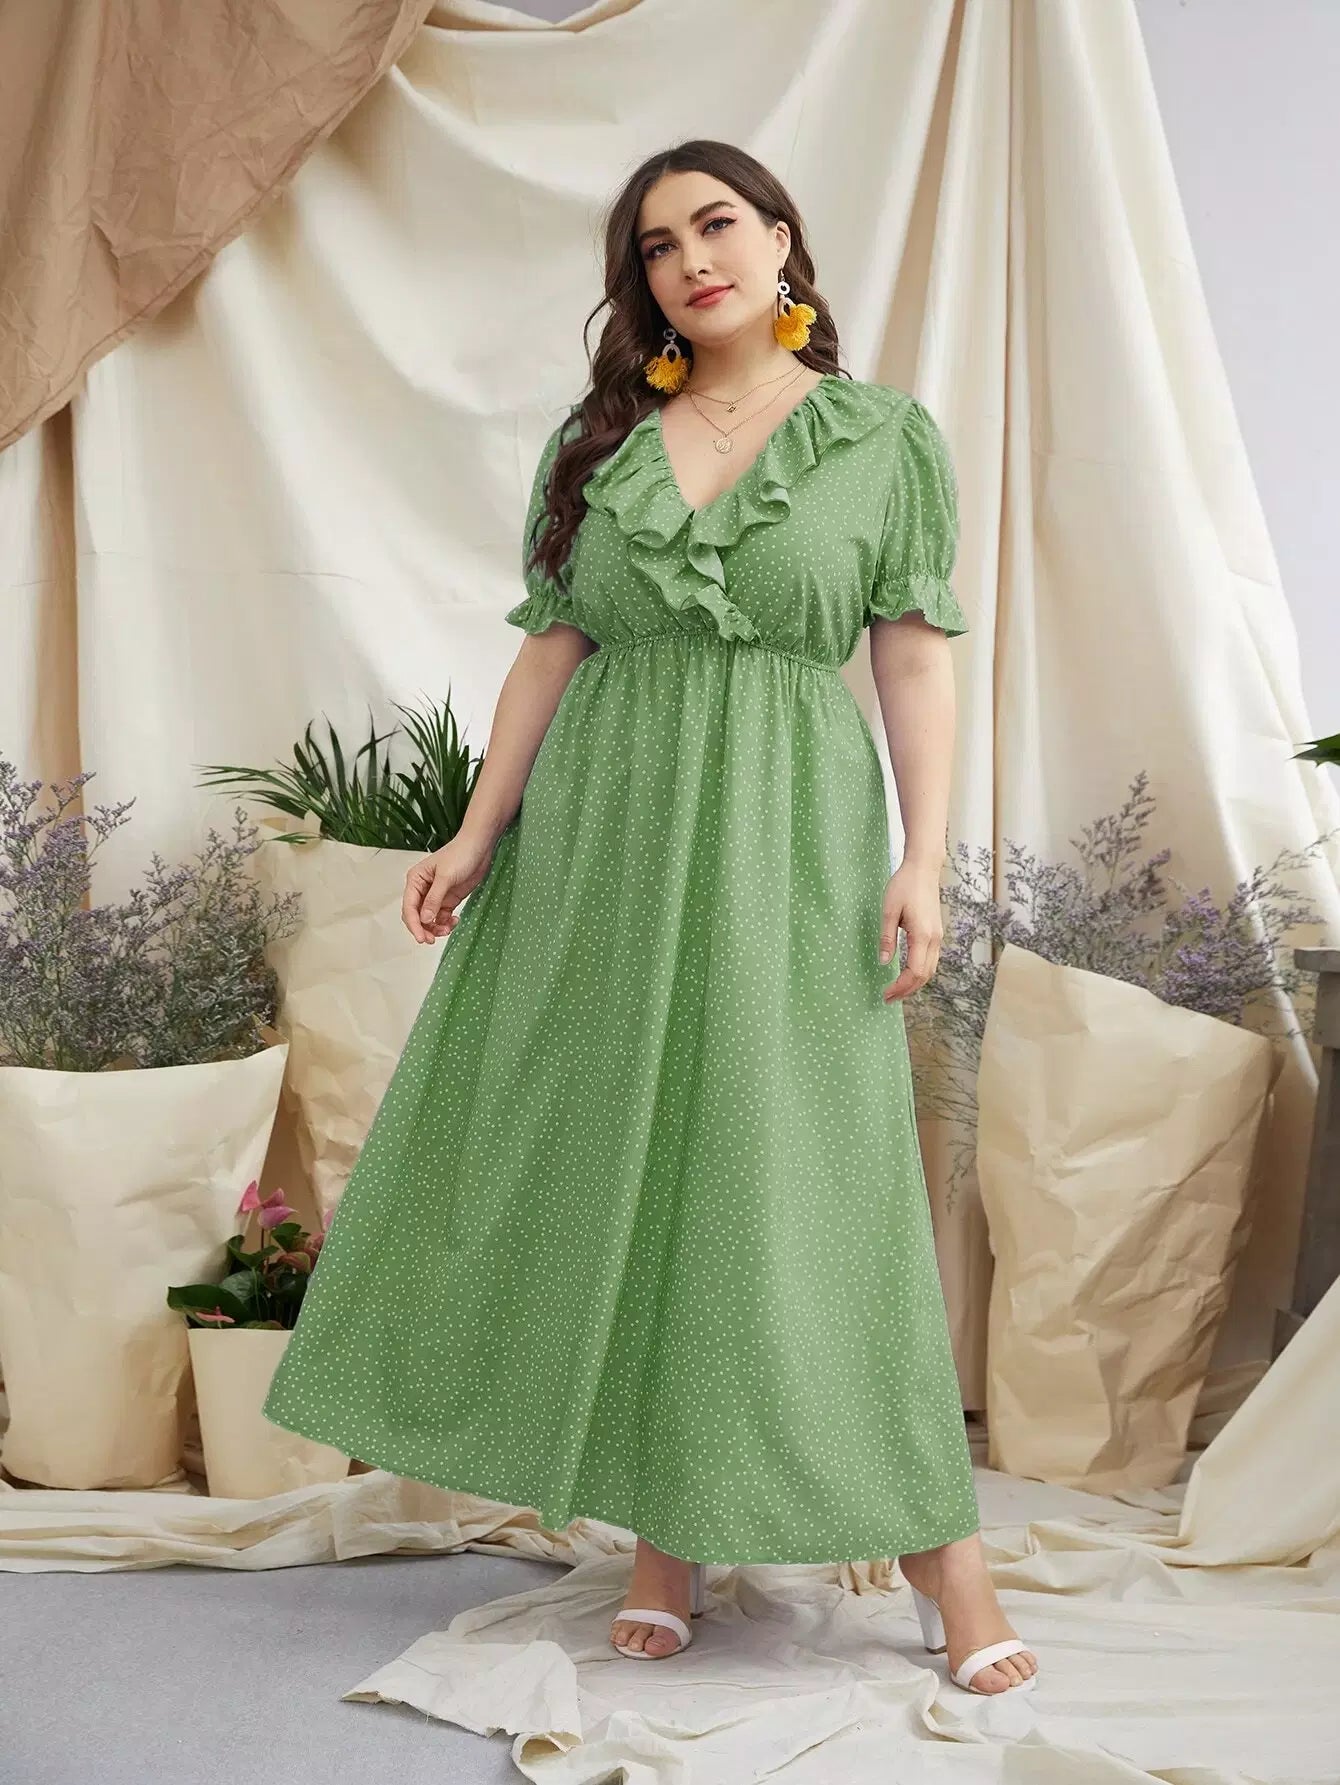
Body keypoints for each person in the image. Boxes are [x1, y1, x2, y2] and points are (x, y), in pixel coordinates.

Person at [262, 138, 1037, 1696]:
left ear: (783, 237)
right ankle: (664, 1537)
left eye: (717, 224)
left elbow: (914, 653)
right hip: (604, 837)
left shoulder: (883, 439)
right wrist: (477, 828)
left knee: (804, 1175)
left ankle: (942, 1552)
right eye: (659, 247)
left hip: (790, 831)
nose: (693, 260)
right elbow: (551, 647)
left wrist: (925, 857)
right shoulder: (602, 442)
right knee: (631, 1156)